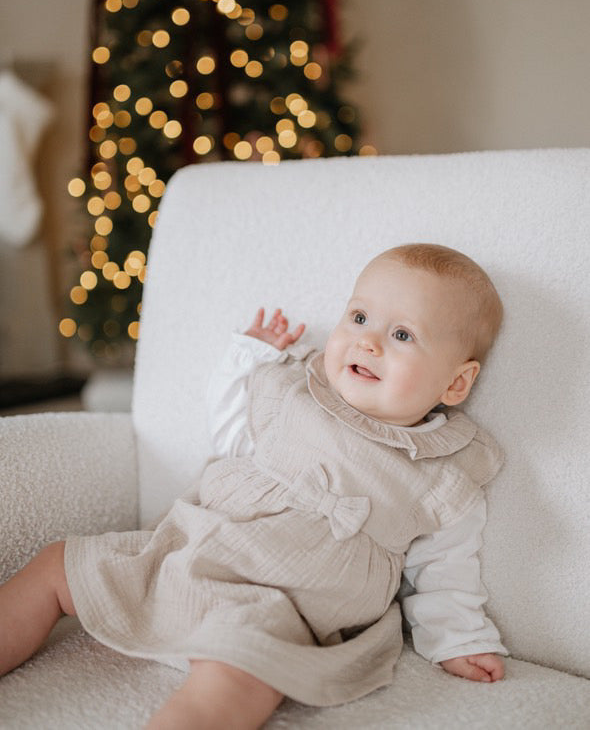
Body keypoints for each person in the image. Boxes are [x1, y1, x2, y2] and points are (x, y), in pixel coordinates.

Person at [0, 243, 507, 729]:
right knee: (58, 564)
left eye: (402, 335)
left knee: (242, 671)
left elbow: (446, 569)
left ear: (455, 384)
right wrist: (245, 358)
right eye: (358, 318)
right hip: (188, 552)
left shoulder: (443, 471)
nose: (367, 341)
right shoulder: (295, 392)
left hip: (277, 607)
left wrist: (460, 639)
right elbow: (228, 436)